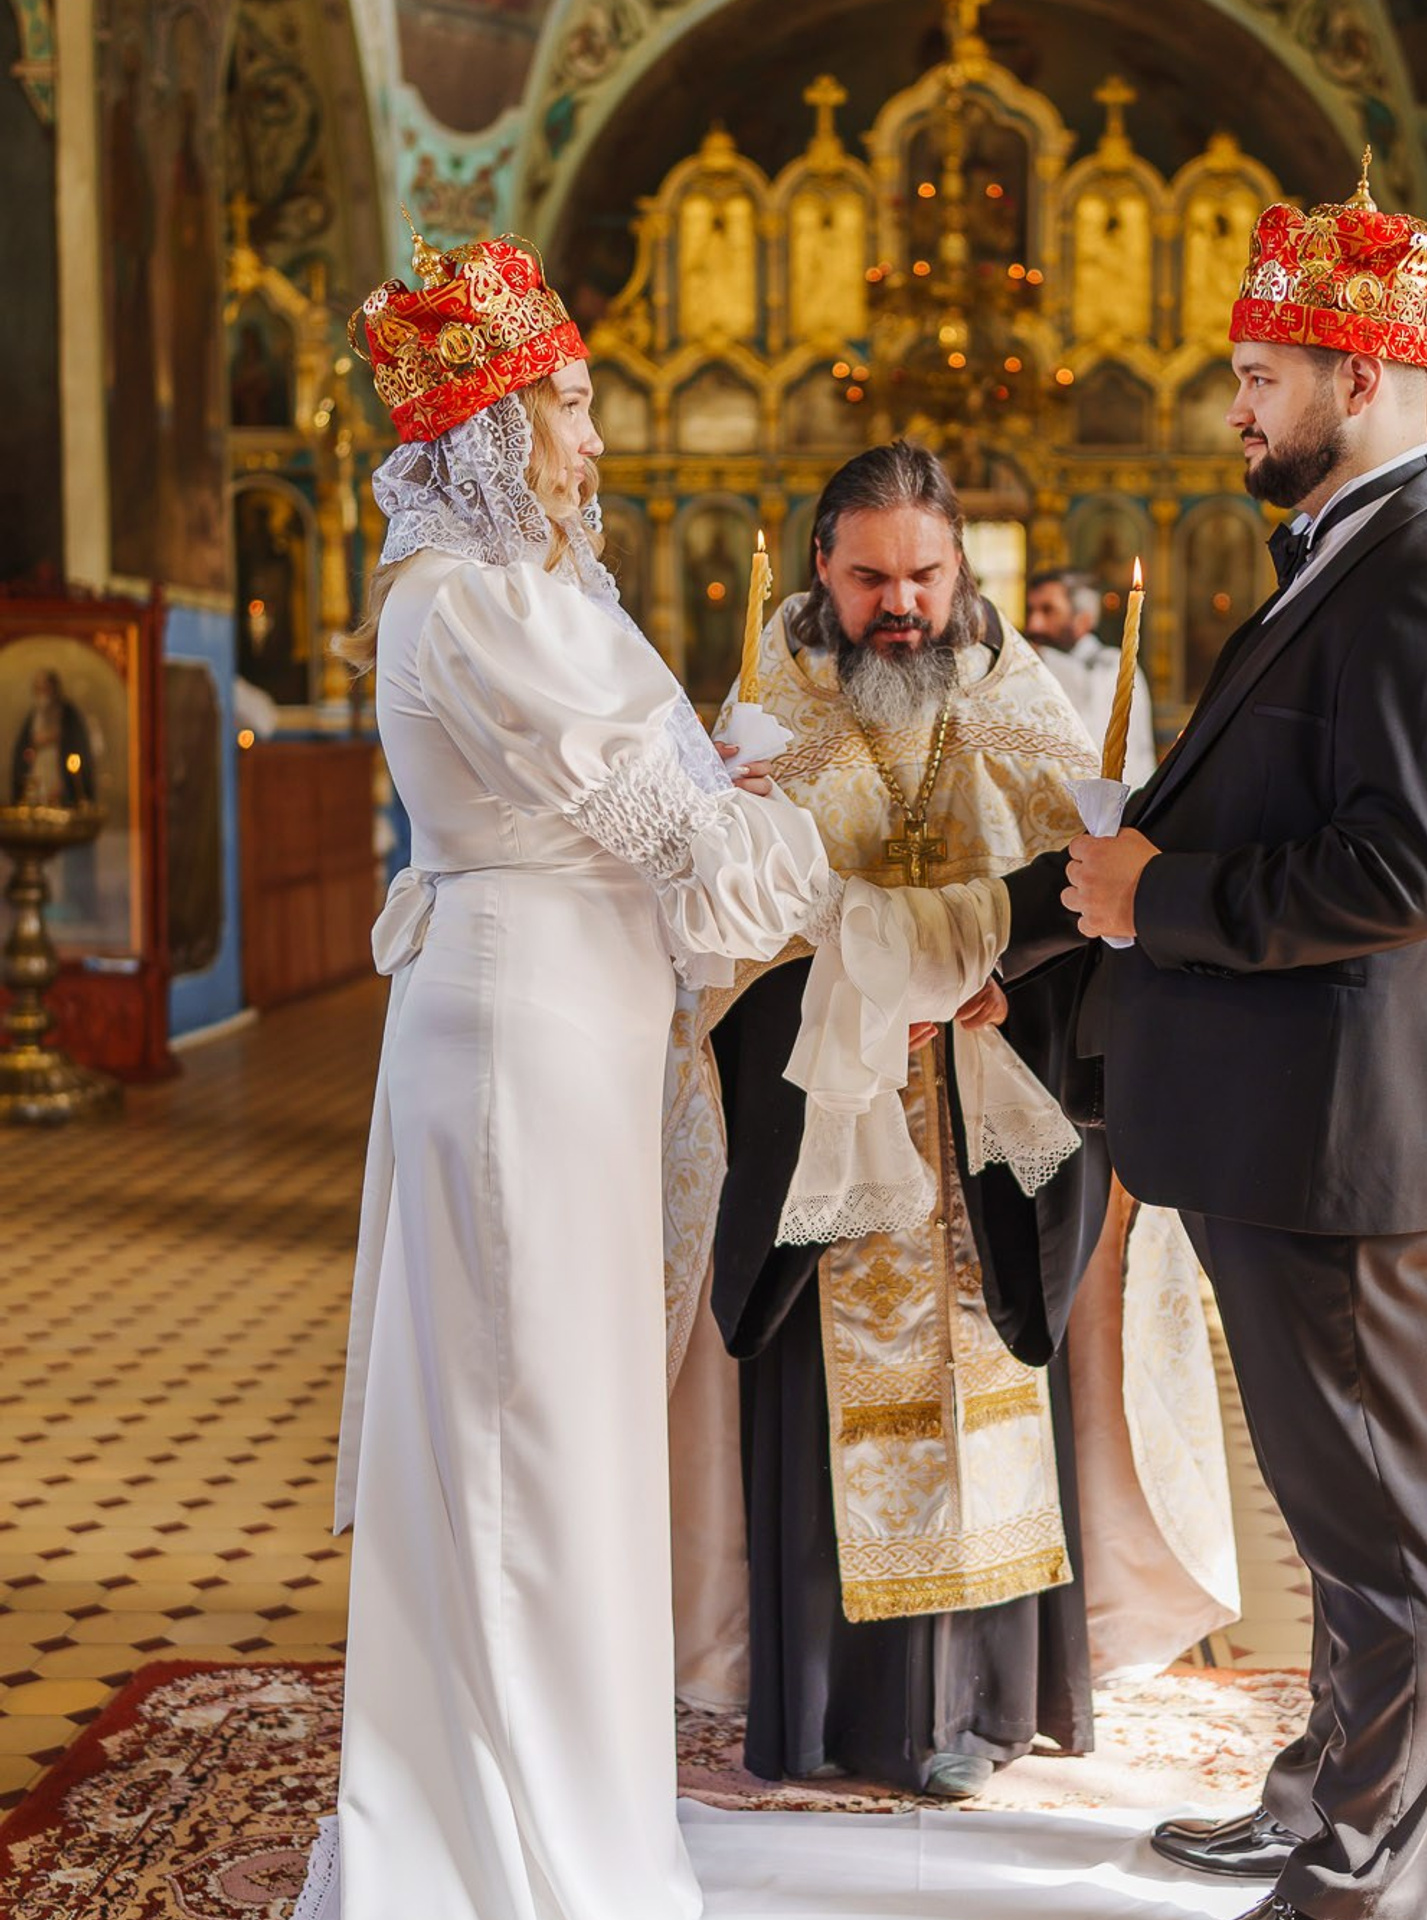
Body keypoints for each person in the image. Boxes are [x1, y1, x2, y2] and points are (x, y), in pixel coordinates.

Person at [996, 155, 1427, 1920]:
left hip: (1340, 1129)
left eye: (1261, 381)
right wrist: (1046, 915)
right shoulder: (1345, 560)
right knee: (1335, 1509)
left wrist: (1155, 900)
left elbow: (1395, 871)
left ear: (1361, 383)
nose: (1235, 412)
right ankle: (1325, 1790)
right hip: (1279, 1113)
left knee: (1383, 1526)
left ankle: (1366, 1877)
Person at [291, 228, 833, 1920]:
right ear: (495, 433)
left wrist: (737, 791)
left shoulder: (494, 603)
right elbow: (692, 841)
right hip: (524, 1050)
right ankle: (516, 1847)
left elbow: (659, 798)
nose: (594, 444)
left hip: (554, 1036)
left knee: (559, 1423)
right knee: (530, 1440)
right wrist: (816, 825)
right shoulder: (482, 606)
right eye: (575, 412)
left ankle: (557, 1805)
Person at [662, 441, 1238, 1800]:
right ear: (822, 567)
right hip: (827, 1127)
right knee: (823, 1411)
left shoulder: (1026, 705)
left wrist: (1006, 982)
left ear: (964, 566)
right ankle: (823, 1710)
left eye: (924, 573)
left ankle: (993, 1701)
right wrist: (857, 989)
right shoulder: (760, 715)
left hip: (986, 1139)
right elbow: (718, 935)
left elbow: (1086, 889)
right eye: (869, 577)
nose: (900, 603)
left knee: (995, 1394)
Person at [1024, 567, 1156, 785]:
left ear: (1082, 620)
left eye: (1048, 611)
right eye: (1031, 610)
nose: (1034, 624)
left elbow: (1091, 730)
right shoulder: (1032, 664)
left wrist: (1036, 656)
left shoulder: (1111, 665)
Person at [12, 670, 97, 806]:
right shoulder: (34, 715)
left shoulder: (67, 713)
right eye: (38, 688)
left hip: (58, 766)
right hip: (39, 766)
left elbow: (74, 742)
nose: (42, 693)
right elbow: (25, 745)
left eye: (45, 688)